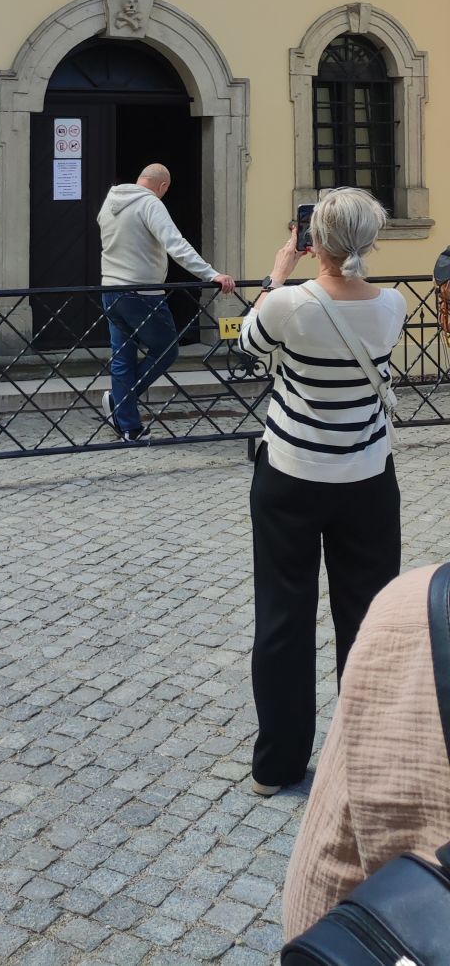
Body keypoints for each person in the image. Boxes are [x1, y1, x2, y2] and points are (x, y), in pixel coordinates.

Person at [238, 187, 406, 796]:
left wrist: (278, 273)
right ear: (370, 241)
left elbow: (247, 346)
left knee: (283, 616)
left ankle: (278, 763)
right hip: (366, 476)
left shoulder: (288, 305)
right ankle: (366, 759)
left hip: (290, 473)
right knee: (367, 618)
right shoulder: (393, 305)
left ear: (313, 240)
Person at [283, 565, 450, 939]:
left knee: (283, 600)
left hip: (417, 932)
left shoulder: (414, 612)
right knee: (360, 585)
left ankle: (277, 764)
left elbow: (320, 886)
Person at [98, 163, 236, 443]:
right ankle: (120, 404)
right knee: (166, 350)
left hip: (110, 290)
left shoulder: (110, 201)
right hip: (142, 293)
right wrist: (211, 274)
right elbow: (176, 245)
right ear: (163, 186)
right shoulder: (150, 204)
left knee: (122, 357)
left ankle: (129, 427)